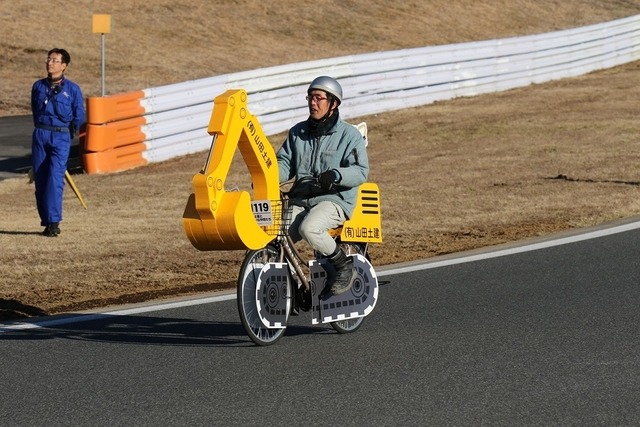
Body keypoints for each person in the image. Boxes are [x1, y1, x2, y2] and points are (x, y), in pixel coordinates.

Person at [276, 76, 369, 296]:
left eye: (318, 98)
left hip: (334, 200)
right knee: (277, 235)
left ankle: (343, 265)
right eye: (310, 97)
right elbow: (285, 163)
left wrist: (336, 174)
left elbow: (360, 171)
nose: (312, 103)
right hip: (302, 198)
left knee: (309, 228)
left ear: (333, 103)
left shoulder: (349, 135)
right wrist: (268, 176)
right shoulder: (298, 132)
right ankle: (295, 284)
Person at [31, 48, 85, 237]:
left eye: (54, 60)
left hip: (60, 136)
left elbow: (79, 116)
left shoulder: (73, 89)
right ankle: (46, 221)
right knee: (41, 179)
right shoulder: (38, 86)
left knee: (55, 179)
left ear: (64, 65)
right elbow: (35, 112)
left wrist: (69, 134)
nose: (50, 62)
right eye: (48, 59)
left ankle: (54, 222)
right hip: (40, 134)